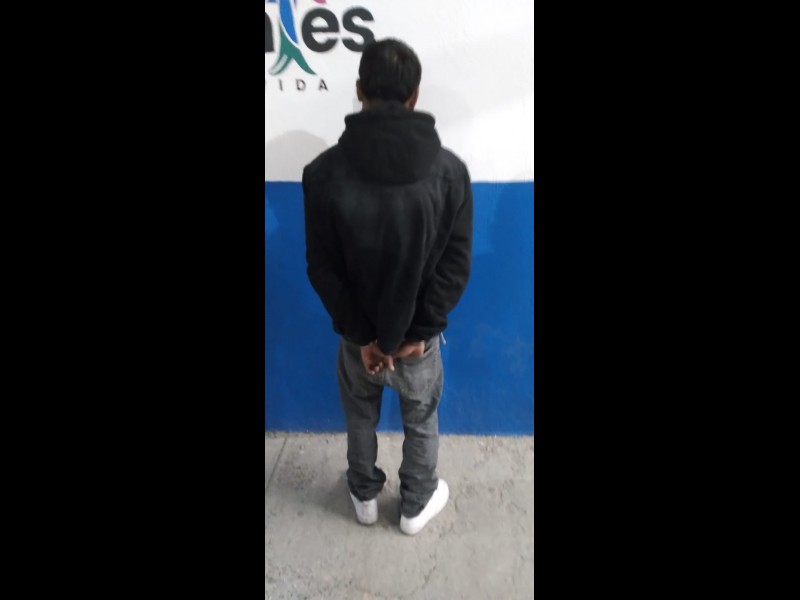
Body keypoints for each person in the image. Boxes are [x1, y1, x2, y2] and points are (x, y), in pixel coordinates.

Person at [302, 38, 472, 535]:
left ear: (359, 90)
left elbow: (322, 267)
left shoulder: (322, 173)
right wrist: (415, 334)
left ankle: (363, 496)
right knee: (421, 419)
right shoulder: (450, 172)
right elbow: (455, 265)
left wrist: (363, 336)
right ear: (415, 96)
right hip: (419, 343)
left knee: (360, 415)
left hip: (359, 341)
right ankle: (416, 504)